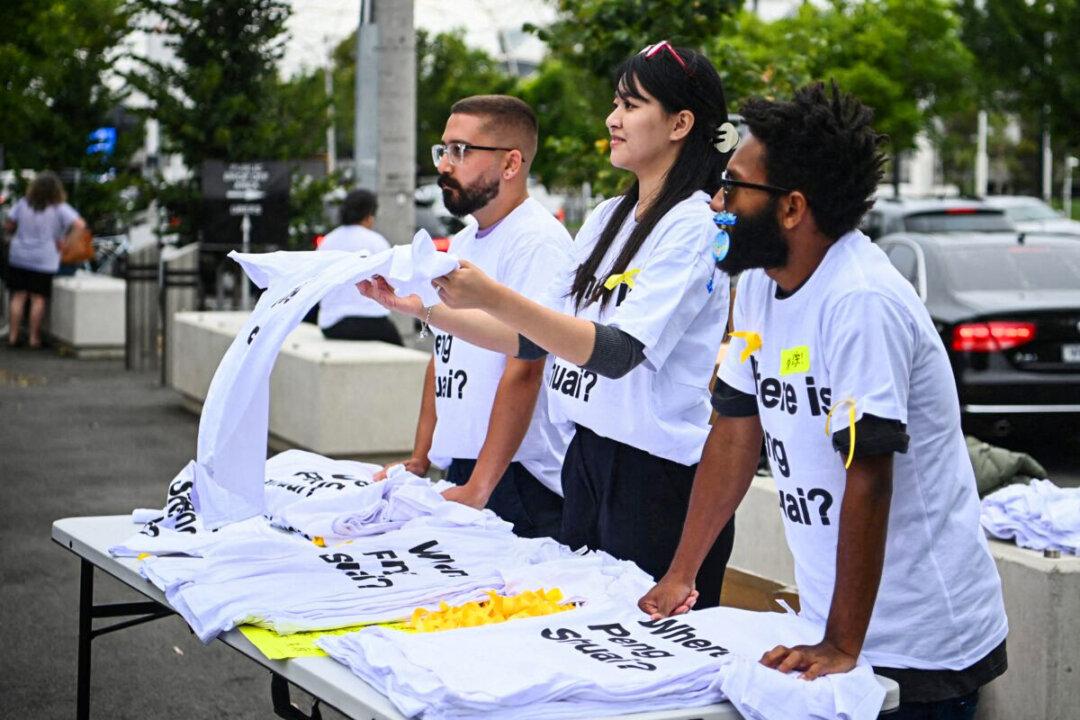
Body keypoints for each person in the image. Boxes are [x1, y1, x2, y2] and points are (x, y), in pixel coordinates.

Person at [638, 83, 1008, 718]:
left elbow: (867, 477)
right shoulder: (757, 284)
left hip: (917, 649)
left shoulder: (860, 302)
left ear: (791, 209)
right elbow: (733, 432)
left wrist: (841, 641)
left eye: (733, 188)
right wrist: (682, 573)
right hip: (838, 624)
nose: (717, 204)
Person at [361, 43, 737, 607]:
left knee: (641, 659)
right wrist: (427, 311)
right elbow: (536, 339)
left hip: (652, 479)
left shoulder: (692, 226)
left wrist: (490, 296)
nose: (613, 119)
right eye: (616, 102)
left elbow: (615, 352)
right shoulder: (609, 216)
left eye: (632, 105)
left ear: (681, 123)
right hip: (584, 461)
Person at [374, 95, 574, 540]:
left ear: (510, 164)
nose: (445, 164)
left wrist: (482, 485)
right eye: (442, 149)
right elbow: (441, 357)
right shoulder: (463, 243)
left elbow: (526, 367)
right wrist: (420, 460)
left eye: (460, 151)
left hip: (518, 476)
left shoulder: (537, 242)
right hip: (466, 466)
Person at [3, 172, 85, 349]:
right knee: (38, 298)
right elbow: (80, 225)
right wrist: (67, 242)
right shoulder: (59, 207)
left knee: (18, 296)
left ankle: (13, 336)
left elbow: (9, 224)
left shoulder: (23, 204)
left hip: (20, 255)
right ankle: (34, 338)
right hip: (44, 258)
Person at [317, 188, 404, 345]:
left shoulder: (327, 241)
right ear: (369, 215)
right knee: (401, 350)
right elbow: (392, 282)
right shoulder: (376, 241)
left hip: (331, 324)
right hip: (371, 320)